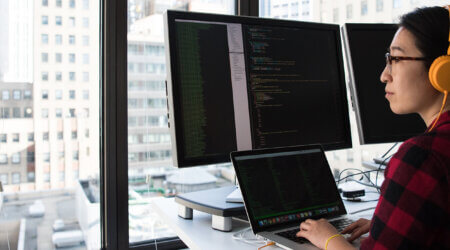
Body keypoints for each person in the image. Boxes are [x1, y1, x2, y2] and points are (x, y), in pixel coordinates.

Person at [295, 6, 450, 250]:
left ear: (441, 70)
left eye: (396, 59)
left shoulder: (423, 158)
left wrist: (329, 238)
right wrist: (389, 225)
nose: (383, 75)